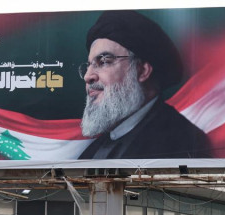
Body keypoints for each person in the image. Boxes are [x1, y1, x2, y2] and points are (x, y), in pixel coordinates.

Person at [78, 10, 211, 160]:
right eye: (89, 65)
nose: (88, 76)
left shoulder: (183, 140)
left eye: (104, 62)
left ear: (142, 71)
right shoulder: (98, 146)